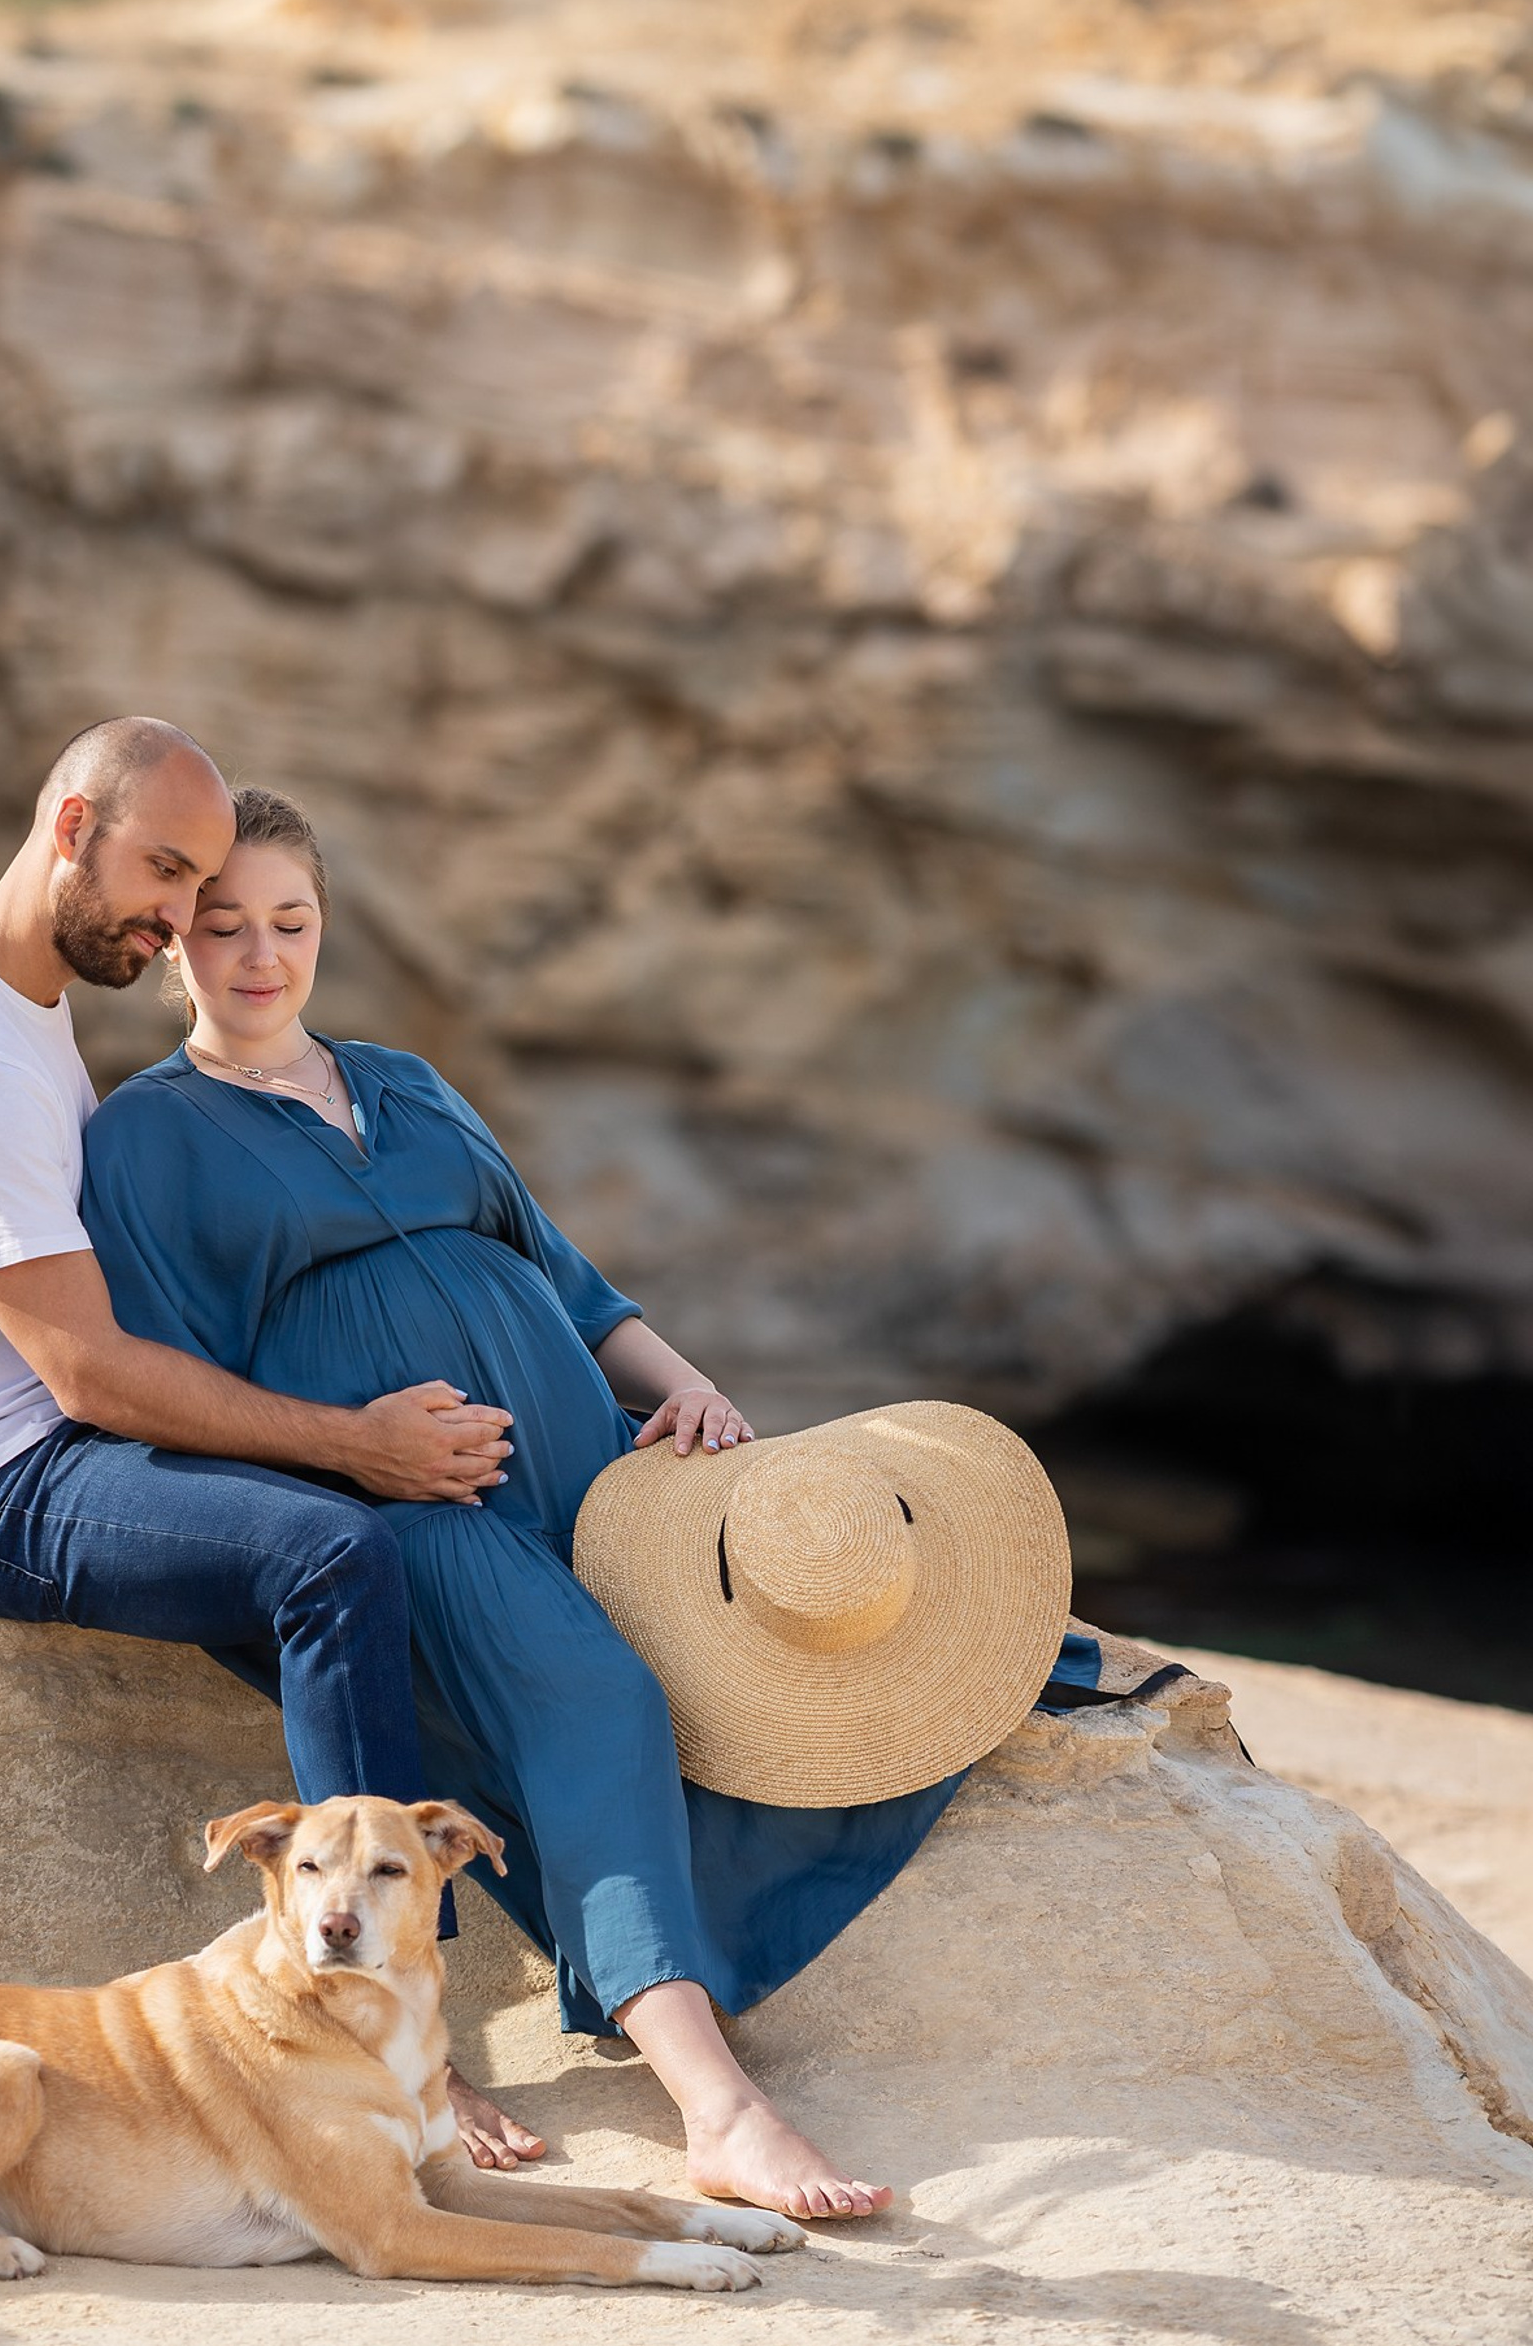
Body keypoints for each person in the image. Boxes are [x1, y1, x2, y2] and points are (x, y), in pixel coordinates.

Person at [78, 787, 1082, 2220]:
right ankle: (717, 2104)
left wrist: (693, 1395)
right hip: (405, 1501)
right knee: (597, 1695)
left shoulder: (408, 1082)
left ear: (324, 928)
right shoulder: (147, 1139)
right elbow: (177, 1380)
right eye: (223, 926)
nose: (259, 955)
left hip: (595, 1465)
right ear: (175, 940)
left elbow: (564, 1277)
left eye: (289, 923)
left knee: (777, 1639)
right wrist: (359, 1452)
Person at [0, 717, 518, 2118]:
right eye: (168, 873)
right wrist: (353, 1438)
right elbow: (87, 1375)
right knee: (334, 1552)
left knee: (390, 1573)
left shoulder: (0, 982)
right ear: (69, 828)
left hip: (35, 1432)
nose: (183, 918)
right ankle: (397, 2043)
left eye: (198, 887)